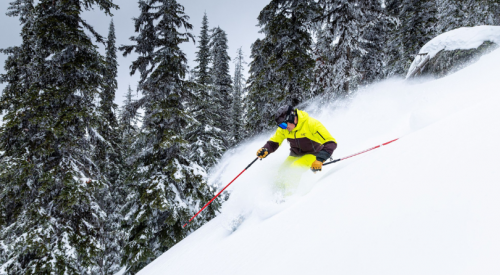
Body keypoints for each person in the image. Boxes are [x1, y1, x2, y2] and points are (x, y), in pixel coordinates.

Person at [256, 105, 337, 196]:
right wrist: (265, 149)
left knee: (294, 169)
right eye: (281, 126)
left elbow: (331, 142)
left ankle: (288, 197)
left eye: (283, 124)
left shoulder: (311, 124)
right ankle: (276, 195)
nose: (283, 128)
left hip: (313, 154)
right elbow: (274, 142)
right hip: (296, 154)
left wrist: (320, 159)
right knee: (282, 171)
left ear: (291, 118)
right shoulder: (284, 129)